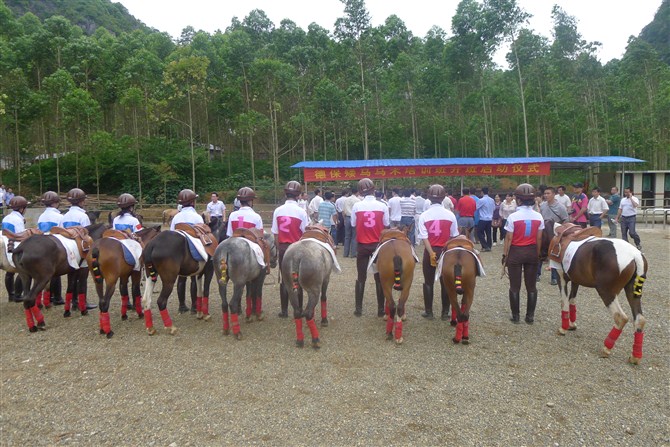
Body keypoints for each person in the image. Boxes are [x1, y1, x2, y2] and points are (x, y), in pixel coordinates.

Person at [502, 183, 544, 324]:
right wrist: (537, 255)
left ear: (518, 200)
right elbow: (539, 238)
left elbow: (509, 238)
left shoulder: (513, 217)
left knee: (515, 286)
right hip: (532, 251)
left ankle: (516, 316)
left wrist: (505, 256)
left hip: (515, 252)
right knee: (531, 286)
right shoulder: (539, 217)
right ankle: (530, 316)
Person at [417, 185, 459, 320]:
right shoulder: (450, 214)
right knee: (446, 281)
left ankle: (429, 312)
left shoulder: (424, 215)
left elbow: (424, 237)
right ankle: (445, 312)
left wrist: (431, 253)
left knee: (428, 281)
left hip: (430, 250)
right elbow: (454, 236)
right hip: (446, 251)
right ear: (443, 198)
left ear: (428, 198)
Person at [351, 178, 389, 317]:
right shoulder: (383, 206)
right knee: (379, 277)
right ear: (374, 189)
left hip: (362, 245)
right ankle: (380, 310)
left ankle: (358, 308)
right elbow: (386, 223)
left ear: (360, 191)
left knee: (361, 276)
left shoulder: (357, 206)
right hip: (377, 246)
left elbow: (354, 224)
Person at [271, 181, 309, 318]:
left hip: (283, 247)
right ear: (299, 195)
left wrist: (278, 248)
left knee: (284, 279)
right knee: (296, 279)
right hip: (297, 247)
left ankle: (284, 310)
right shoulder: (301, 211)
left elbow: (275, 233)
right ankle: (297, 309)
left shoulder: (278, 210)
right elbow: (305, 232)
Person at [61, 188, 96, 311]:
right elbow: (86, 236)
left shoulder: (64, 216)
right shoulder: (83, 216)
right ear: (81, 201)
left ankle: (72, 301)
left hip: (68, 250)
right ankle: (82, 303)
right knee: (82, 278)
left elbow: (61, 233)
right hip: (80, 250)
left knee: (71, 277)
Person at [171, 189, 205, 313]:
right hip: (192, 251)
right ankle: (194, 307)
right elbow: (203, 235)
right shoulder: (197, 217)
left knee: (181, 278)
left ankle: (181, 306)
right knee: (194, 278)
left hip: (178, 252)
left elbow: (171, 233)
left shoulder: (176, 217)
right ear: (192, 202)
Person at [37, 191, 65, 305]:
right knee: (56, 272)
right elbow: (62, 232)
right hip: (54, 245)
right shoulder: (59, 216)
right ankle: (57, 297)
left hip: (41, 244)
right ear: (55, 203)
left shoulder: (41, 216)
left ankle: (45, 297)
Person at [2, 195, 30, 302]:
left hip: (5, 243)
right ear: (22, 208)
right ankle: (18, 295)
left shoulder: (6, 217)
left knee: (9, 272)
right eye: (25, 208)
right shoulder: (18, 219)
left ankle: (11, 295)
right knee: (22, 270)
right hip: (14, 244)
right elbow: (20, 236)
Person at [539, 187, 569, 285]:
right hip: (543, 233)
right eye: (545, 193)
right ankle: (537, 275)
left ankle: (554, 277)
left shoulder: (560, 207)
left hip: (555, 234)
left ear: (554, 194)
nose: (546, 195)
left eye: (548, 193)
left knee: (554, 255)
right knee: (540, 253)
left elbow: (565, 220)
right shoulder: (542, 205)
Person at [343, 189, 361, 258]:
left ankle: (345, 253)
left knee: (347, 236)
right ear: (357, 192)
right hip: (355, 218)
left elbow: (344, 211)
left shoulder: (346, 200)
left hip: (347, 217)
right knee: (354, 236)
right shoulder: (358, 200)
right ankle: (353, 253)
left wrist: (344, 219)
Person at [475, 186, 495, 252]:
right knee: (488, 233)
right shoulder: (492, 200)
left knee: (479, 232)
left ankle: (485, 245)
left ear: (482, 192)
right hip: (489, 218)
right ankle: (489, 245)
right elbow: (494, 208)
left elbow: (476, 207)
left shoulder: (481, 200)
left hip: (483, 218)